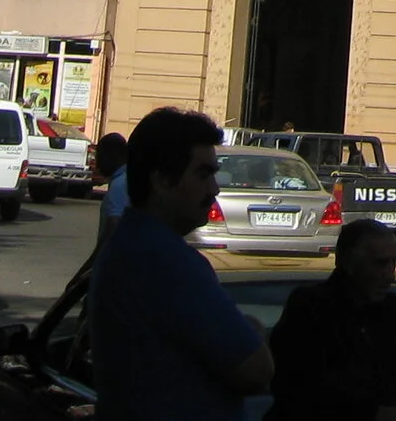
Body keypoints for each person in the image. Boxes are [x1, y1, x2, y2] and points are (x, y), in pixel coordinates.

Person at [91, 107, 275, 421]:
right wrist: (254, 333)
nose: (214, 189)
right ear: (162, 180)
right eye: (203, 174)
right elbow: (255, 370)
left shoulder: (130, 244)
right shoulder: (164, 259)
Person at [265, 217, 396, 421]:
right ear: (348, 262)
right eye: (380, 263)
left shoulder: (395, 312)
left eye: (393, 262)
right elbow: (299, 389)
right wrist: (373, 413)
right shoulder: (310, 307)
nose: (390, 275)